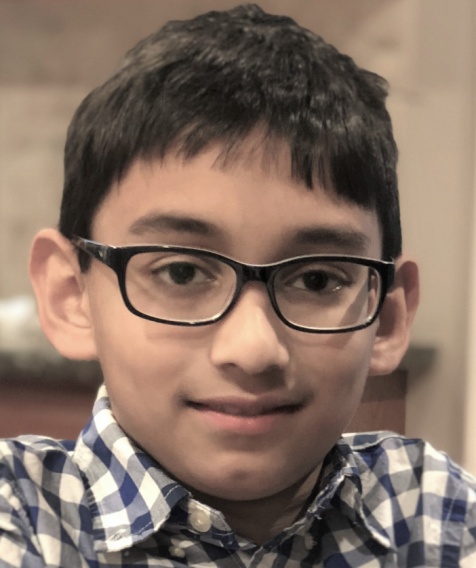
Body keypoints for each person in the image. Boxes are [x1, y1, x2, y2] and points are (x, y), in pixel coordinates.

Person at [1, 4, 475, 566]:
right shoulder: (24, 522)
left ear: (388, 318)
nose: (252, 350)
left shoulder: (431, 513)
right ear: (70, 295)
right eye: (181, 272)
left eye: (317, 279)